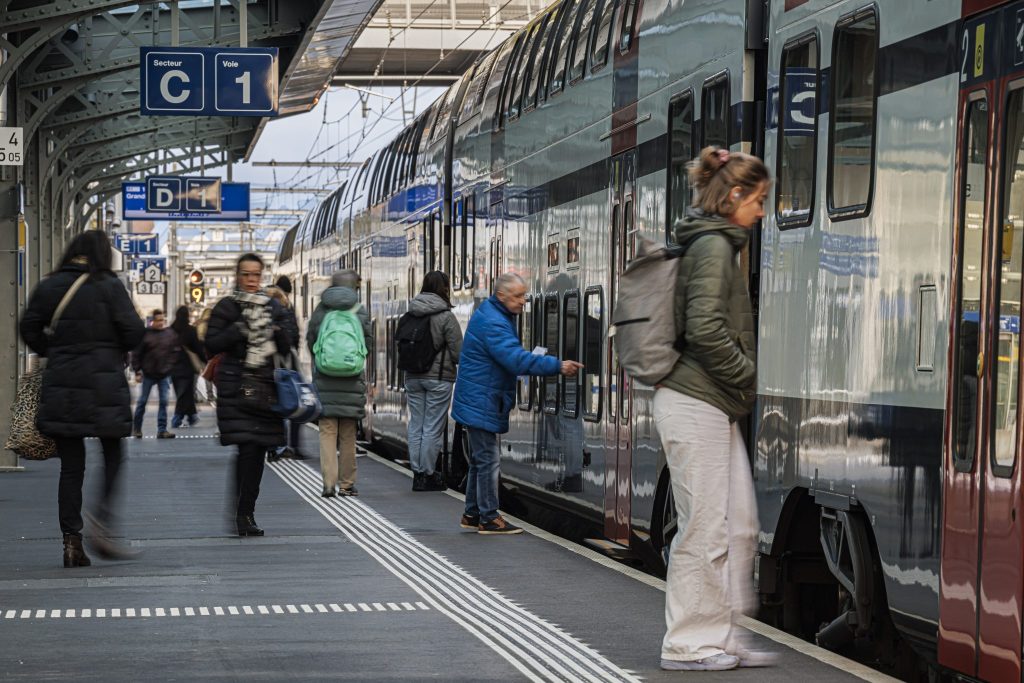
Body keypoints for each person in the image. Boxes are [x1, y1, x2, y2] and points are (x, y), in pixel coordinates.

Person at [656, 146, 770, 672]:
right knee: (703, 526)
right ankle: (688, 643)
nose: (763, 211)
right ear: (736, 195)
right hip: (693, 398)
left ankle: (720, 633)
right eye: (760, 200)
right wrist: (748, 375)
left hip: (712, 402)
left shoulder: (721, 244)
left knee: (740, 525)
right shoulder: (713, 249)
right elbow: (703, 329)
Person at [20, 230, 145, 567]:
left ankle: (71, 542)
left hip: (64, 386)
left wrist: (56, 350)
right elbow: (134, 333)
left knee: (72, 467)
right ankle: (101, 522)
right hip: (105, 385)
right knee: (113, 455)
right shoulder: (109, 285)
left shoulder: (50, 285)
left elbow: (28, 327)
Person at [450, 272, 582, 534]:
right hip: (482, 400)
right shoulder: (494, 323)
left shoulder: (493, 314)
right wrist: (558, 365)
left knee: (480, 459)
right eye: (518, 296)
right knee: (488, 460)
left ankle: (472, 512)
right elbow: (516, 359)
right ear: (502, 296)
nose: (524, 301)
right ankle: (488, 517)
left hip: (481, 398)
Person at [204, 253, 293, 536]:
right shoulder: (227, 307)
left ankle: (246, 513)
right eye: (246, 274)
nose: (252, 280)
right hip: (237, 389)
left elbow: (289, 344)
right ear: (237, 275)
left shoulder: (272, 307)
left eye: (256, 274)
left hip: (266, 390)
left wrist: (279, 331)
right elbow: (211, 344)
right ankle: (242, 515)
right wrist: (238, 330)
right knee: (246, 449)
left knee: (257, 453)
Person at [307, 269, 372, 498]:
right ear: (354, 287)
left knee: (326, 432)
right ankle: (346, 484)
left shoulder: (321, 310)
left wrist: (322, 361)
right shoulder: (358, 310)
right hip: (352, 381)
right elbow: (368, 343)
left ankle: (328, 483)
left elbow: (311, 340)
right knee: (348, 435)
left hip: (325, 380)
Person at [404, 271, 463, 492]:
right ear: (444, 289)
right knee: (432, 427)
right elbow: (458, 352)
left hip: (412, 378)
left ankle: (417, 473)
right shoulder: (446, 317)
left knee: (416, 425)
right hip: (438, 379)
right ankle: (427, 474)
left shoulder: (410, 313)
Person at [265, 282, 306, 460]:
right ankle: (294, 446)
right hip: (289, 367)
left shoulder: (265, 315)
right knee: (296, 406)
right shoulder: (288, 313)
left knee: (275, 409)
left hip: (270, 368)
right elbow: (295, 339)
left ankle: (276, 446)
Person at [131, 309, 179, 439]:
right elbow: (137, 354)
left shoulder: (169, 334)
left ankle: (162, 430)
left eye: (162, 320)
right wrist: (137, 371)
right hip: (149, 373)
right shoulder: (146, 335)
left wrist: (169, 367)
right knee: (142, 401)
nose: (160, 323)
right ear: (152, 321)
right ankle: (137, 428)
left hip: (163, 374)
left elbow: (175, 351)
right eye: (158, 320)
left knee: (164, 401)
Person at [169, 305, 205, 428]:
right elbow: (198, 348)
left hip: (173, 367)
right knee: (185, 393)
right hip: (188, 367)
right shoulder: (191, 330)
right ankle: (178, 418)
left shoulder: (170, 330)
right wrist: (205, 360)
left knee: (183, 392)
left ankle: (192, 416)